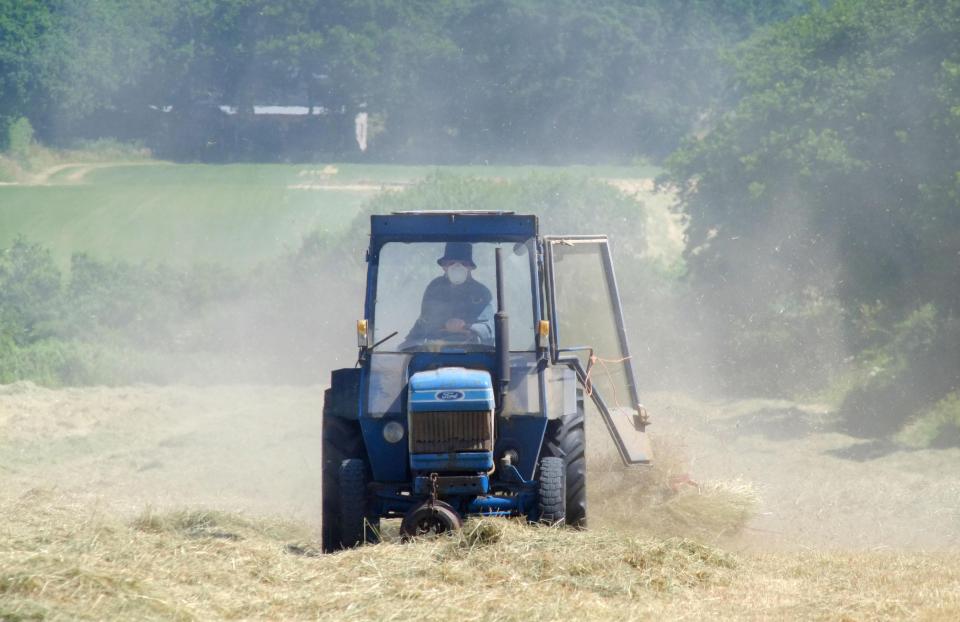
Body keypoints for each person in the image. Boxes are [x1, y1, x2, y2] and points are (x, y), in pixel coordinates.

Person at [403, 242, 494, 346]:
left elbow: (489, 328)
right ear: (444, 266)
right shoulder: (434, 288)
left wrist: (468, 327)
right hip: (434, 355)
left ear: (470, 267)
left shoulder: (481, 292)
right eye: (452, 263)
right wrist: (407, 345)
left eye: (463, 263)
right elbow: (424, 321)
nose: (457, 267)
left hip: (475, 355)